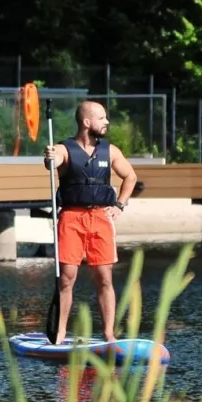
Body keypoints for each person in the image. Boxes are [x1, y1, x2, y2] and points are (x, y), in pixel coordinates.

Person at [43, 101, 137, 345]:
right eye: (102, 118)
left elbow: (130, 176)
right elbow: (53, 161)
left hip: (100, 219)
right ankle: (61, 332)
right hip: (71, 218)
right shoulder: (64, 149)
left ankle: (108, 333)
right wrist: (50, 158)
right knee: (67, 277)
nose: (107, 122)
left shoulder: (110, 151)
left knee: (104, 277)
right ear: (87, 122)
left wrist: (120, 205)